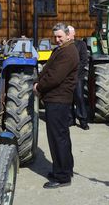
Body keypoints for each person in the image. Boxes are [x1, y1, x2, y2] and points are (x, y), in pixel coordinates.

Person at [33, 23, 79, 189]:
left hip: (58, 99)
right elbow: (48, 70)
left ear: (68, 35)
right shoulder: (62, 49)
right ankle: (65, 169)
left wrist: (39, 86)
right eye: (56, 37)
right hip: (57, 99)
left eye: (60, 36)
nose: (57, 39)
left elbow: (54, 77)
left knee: (58, 138)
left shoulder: (68, 52)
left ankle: (62, 177)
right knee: (62, 136)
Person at [68, 25, 90, 130]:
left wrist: (75, 73)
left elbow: (84, 60)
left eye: (69, 32)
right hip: (66, 77)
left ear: (73, 34)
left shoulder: (81, 44)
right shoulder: (63, 46)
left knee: (79, 97)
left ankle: (83, 120)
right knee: (68, 99)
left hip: (78, 76)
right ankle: (70, 119)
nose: (68, 34)